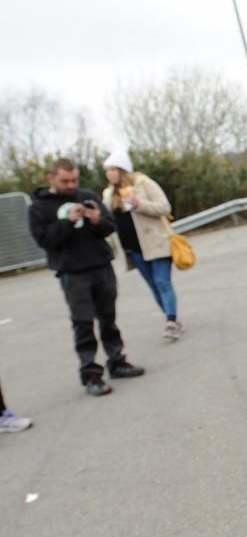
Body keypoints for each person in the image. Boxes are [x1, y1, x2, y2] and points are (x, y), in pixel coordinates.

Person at [28, 158, 145, 396]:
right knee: (83, 324)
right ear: (51, 179)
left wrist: (96, 220)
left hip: (101, 266)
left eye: (74, 180)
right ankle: (91, 374)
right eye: (65, 181)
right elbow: (44, 240)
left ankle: (117, 362)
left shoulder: (87, 195)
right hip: (72, 273)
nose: (71, 185)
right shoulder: (39, 207)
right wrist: (67, 222)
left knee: (108, 318)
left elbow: (109, 227)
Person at [101, 151, 183, 340]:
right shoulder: (107, 194)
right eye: (107, 170)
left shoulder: (144, 184)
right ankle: (173, 319)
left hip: (156, 243)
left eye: (112, 169)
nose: (109, 173)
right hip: (133, 249)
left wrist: (139, 204)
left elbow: (164, 207)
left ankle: (170, 321)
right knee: (154, 286)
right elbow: (109, 223)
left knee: (162, 282)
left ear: (122, 170)